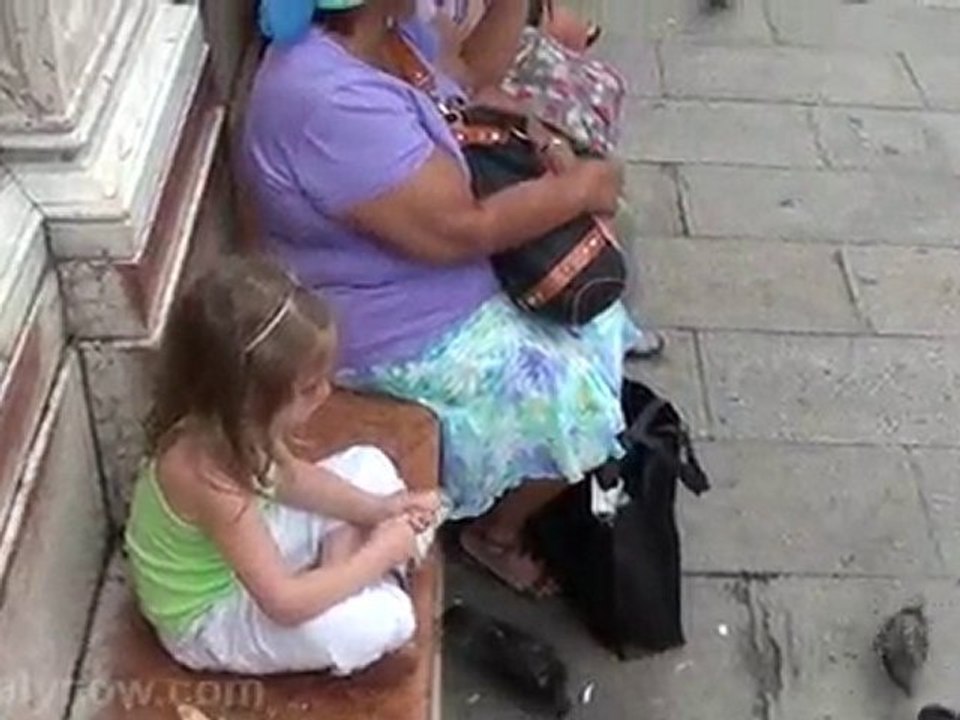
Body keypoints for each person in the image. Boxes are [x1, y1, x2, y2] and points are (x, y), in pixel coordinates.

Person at [243, 0, 635, 594]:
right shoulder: (327, 101)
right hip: (385, 331)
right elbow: (460, 230)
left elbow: (469, 78)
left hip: (438, 283)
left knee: (597, 319)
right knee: (577, 404)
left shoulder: (389, 31)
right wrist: (581, 189)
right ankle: (495, 535)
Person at [124, 256, 440, 676]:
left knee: (368, 465)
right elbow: (283, 604)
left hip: (252, 557)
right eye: (309, 389)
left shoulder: (230, 423)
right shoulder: (204, 473)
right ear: (249, 399)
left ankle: (338, 578)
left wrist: (382, 509)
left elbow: (292, 479)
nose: (326, 394)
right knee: (393, 618)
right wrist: (381, 554)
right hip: (210, 618)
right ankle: (358, 583)